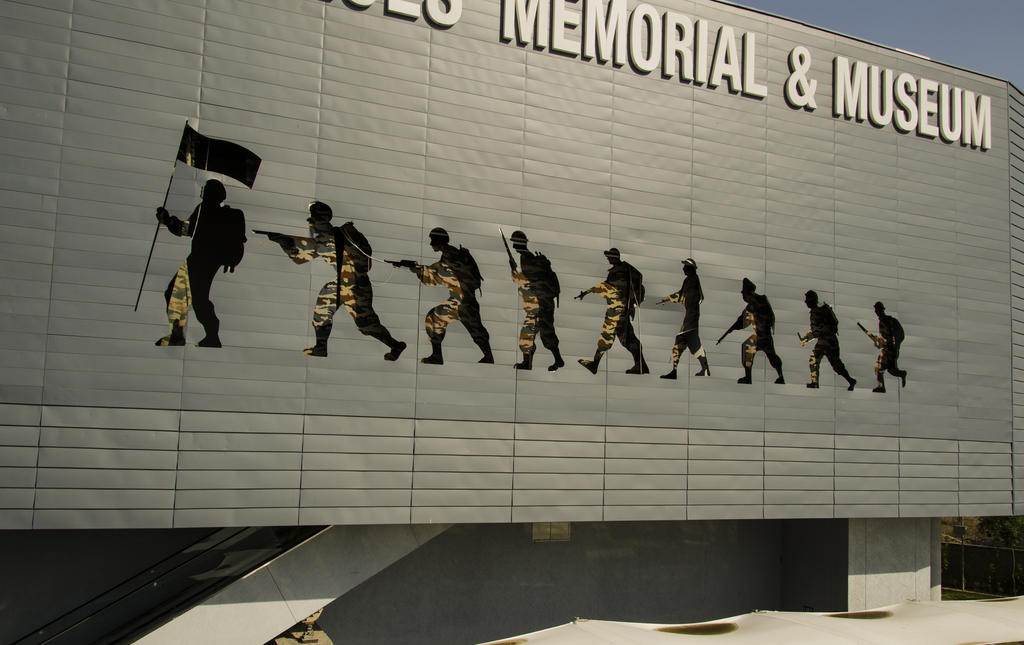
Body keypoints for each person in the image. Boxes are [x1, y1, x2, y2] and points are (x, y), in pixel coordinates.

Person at [266, 202, 406, 360]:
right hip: (343, 282)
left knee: (365, 324)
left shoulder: (337, 236)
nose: (310, 224)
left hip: (355, 284)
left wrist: (287, 243)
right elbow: (303, 255)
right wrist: (285, 243)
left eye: (313, 219)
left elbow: (307, 253)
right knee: (323, 308)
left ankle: (395, 345)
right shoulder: (324, 239)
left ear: (321, 219)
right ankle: (321, 347)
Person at [154, 179, 245, 348]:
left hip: (205, 260)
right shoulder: (202, 209)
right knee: (180, 294)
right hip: (197, 259)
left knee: (195, 298)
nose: (203, 192)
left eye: (206, 190)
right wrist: (167, 220)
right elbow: (186, 229)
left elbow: (187, 230)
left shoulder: (221, 213)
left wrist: (169, 221)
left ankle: (208, 336)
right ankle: (182, 334)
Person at [393, 227, 493, 365]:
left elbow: (438, 274)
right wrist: (420, 269)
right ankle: (439, 356)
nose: (430, 244)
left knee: (473, 329)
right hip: (463, 300)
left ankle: (486, 357)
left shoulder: (449, 255)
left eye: (432, 241)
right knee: (437, 318)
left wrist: (417, 269)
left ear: (438, 241)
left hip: (462, 302)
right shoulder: (454, 253)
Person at [575, 248, 649, 375]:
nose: (607, 259)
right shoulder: (625, 269)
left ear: (614, 257)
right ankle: (641, 365)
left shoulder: (619, 272)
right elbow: (605, 286)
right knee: (628, 340)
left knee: (606, 337)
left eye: (609, 257)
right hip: (622, 311)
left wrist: (633, 302)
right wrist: (587, 292)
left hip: (616, 312)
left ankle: (595, 364)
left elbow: (607, 287)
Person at [507, 230, 564, 371]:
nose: (514, 246)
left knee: (538, 334)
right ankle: (555, 360)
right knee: (540, 333)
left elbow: (526, 282)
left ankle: (534, 362)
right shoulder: (527, 259)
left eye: (515, 243)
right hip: (540, 304)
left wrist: (514, 272)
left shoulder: (527, 260)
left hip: (539, 304)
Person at [717, 278, 784, 384]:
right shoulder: (751, 305)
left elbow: (770, 317)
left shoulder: (761, 300)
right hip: (760, 336)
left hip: (764, 335)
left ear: (749, 293)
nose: (743, 296)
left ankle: (779, 376)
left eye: (744, 293)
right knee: (754, 350)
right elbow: (743, 321)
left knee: (769, 355)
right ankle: (752, 377)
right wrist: (733, 328)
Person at [659, 258, 709, 379]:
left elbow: (684, 296)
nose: (683, 268)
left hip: (691, 318)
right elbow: (683, 295)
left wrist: (670, 298)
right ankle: (678, 371)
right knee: (690, 344)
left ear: (690, 268)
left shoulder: (692, 280)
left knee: (686, 343)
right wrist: (668, 298)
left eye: (685, 266)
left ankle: (677, 372)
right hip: (691, 317)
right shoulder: (690, 280)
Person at [798, 290, 855, 390]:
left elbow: (816, 332)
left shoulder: (816, 313)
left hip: (825, 341)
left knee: (814, 359)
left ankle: (815, 383)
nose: (805, 302)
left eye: (807, 299)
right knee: (836, 364)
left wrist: (805, 340)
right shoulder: (823, 310)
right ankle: (850, 380)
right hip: (831, 340)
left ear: (812, 300)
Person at [865, 301, 908, 393]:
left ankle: (883, 385)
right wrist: (878, 342)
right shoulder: (883, 321)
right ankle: (899, 376)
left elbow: (892, 336)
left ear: (880, 310)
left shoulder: (886, 321)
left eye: (877, 310)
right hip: (888, 349)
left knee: (884, 368)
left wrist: (892, 346)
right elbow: (885, 337)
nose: (876, 312)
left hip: (890, 350)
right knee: (886, 369)